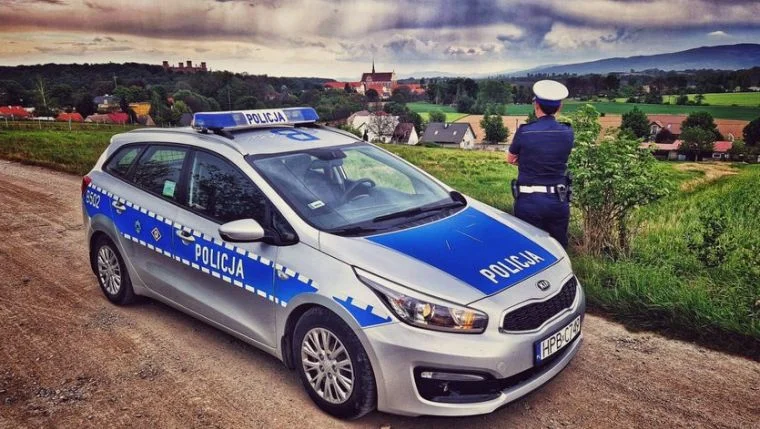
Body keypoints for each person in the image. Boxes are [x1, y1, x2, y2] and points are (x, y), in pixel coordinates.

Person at [506, 80, 574, 247]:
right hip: (558, 201)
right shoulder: (567, 132)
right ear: (559, 107)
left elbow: (511, 158)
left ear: (536, 105)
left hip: (529, 202)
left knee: (529, 249)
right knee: (558, 248)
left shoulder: (525, 131)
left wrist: (527, 161)